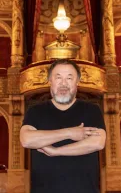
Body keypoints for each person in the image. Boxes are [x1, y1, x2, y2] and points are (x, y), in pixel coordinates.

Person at [20, 59, 106, 193]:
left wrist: (56, 151)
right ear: (50, 81)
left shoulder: (92, 110)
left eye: (69, 78)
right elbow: (26, 139)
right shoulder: (35, 111)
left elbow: (97, 142)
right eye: (58, 77)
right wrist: (70, 133)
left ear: (77, 82)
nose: (63, 83)